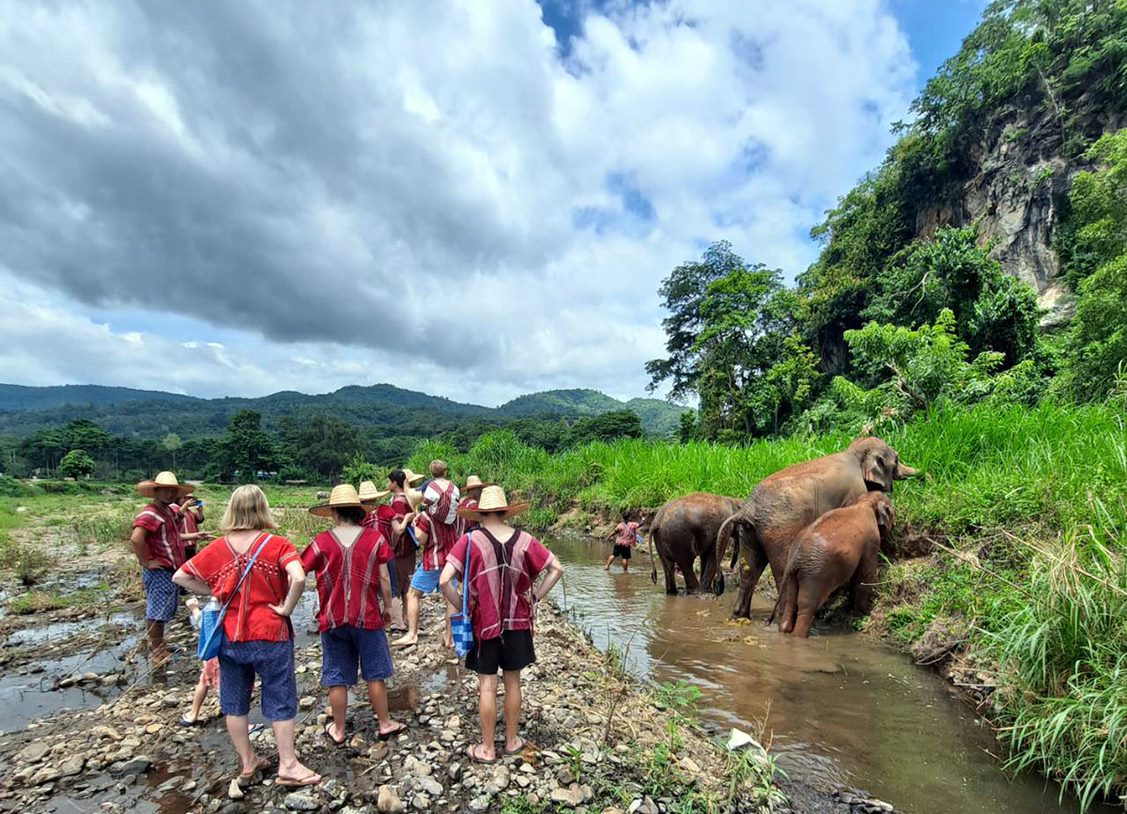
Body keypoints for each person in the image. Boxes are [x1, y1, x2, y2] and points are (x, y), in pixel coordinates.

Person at [172, 485, 320, 789]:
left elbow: (181, 576)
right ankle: (288, 764)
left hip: (229, 635)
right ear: (262, 509)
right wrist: (286, 607)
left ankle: (248, 761)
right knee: (280, 696)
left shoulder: (218, 547)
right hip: (270, 631)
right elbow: (300, 576)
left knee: (234, 701)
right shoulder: (276, 544)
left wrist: (216, 590)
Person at [440, 486, 564, 764]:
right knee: (513, 682)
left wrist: (461, 604)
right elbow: (557, 568)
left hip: (484, 625)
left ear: (481, 513)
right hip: (518, 621)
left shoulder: (470, 540)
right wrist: (536, 597)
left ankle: (486, 748)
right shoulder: (525, 539)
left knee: (487, 685)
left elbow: (444, 580)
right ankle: (511, 741)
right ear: (505, 511)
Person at [301, 485, 407, 745]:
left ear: (334, 513)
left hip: (332, 617)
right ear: (359, 511)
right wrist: (388, 608)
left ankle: (338, 729)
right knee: (375, 672)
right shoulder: (374, 539)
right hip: (367, 615)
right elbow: (384, 577)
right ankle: (384, 722)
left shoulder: (322, 542)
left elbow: (299, 570)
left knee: (337, 675)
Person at [130, 471, 209, 664]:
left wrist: (196, 536)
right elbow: (136, 538)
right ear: (156, 491)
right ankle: (157, 650)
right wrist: (145, 561)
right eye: (164, 491)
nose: (168, 494)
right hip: (160, 569)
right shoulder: (150, 513)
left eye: (171, 491)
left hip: (171, 567)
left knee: (165, 608)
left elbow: (173, 538)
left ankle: (160, 645)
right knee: (157, 610)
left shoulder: (168, 511)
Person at [359, 480, 406, 632]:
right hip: (386, 553)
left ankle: (375, 620)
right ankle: (397, 622)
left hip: (366, 556)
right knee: (392, 588)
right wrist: (392, 544)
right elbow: (398, 531)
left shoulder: (359, 514)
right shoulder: (386, 510)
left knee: (369, 588)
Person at [385, 470, 418, 625]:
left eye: (389, 481)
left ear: (394, 483)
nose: (387, 484)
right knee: (405, 581)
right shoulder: (407, 498)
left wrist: (391, 545)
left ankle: (403, 618)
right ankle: (405, 617)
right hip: (408, 547)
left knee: (400, 583)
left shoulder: (397, 502)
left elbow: (398, 529)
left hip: (401, 548)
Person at [181, 596, 220, 726]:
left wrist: (194, 609)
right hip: (220, 656)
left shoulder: (210, 608)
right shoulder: (220, 609)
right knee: (227, 688)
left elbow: (199, 623)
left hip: (209, 655)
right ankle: (241, 723)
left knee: (203, 682)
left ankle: (193, 713)